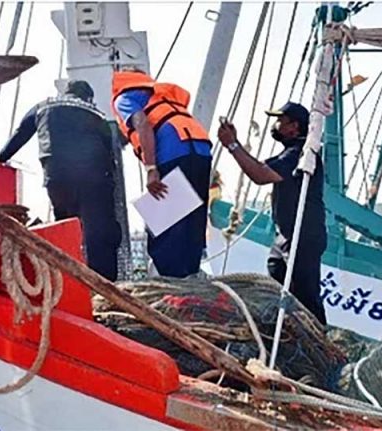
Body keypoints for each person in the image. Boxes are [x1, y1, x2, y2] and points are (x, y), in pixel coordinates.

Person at [0, 80, 122, 281]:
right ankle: (105, 284)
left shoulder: (43, 106)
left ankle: (67, 279)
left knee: (66, 227)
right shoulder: (96, 113)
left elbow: (21, 133)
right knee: (99, 232)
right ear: (88, 97)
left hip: (57, 175)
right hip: (93, 175)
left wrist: (2, 157)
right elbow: (110, 151)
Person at [217, 102, 327, 325]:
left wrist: (233, 146)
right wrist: (235, 144)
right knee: (276, 271)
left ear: (294, 126)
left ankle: (318, 334)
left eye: (280, 121)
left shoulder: (300, 153)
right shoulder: (290, 153)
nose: (276, 126)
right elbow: (259, 167)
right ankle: (287, 326)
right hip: (286, 235)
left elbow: (261, 175)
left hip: (302, 235)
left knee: (305, 294)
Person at [111, 68, 212, 278]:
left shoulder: (124, 97)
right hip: (201, 150)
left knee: (165, 231)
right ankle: (191, 278)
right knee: (191, 225)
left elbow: (143, 124)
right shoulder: (159, 95)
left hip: (173, 152)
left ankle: (173, 285)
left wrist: (151, 169)